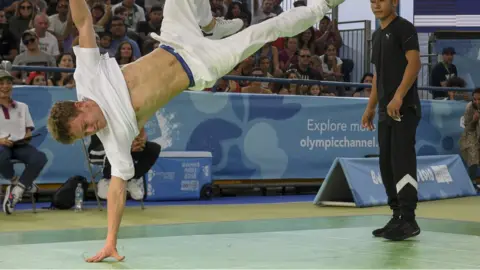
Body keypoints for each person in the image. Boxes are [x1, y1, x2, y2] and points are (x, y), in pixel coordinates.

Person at [47, 0, 345, 263]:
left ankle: (209, 23)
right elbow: (115, 189)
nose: (93, 130)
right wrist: (110, 240)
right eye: (85, 135)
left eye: (85, 125)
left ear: (80, 104)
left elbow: (83, 21)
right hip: (200, 66)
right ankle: (322, 6)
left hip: (175, 40)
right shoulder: (112, 139)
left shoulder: (87, 77)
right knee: (265, 32)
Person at [361, 0, 422, 241]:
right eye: (372, 0)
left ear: (394, 2)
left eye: (381, 0)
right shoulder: (377, 36)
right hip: (386, 112)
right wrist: (370, 107)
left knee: (402, 162)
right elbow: (378, 76)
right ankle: (396, 216)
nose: (376, 4)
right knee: (386, 164)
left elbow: (414, 64)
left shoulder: (404, 28)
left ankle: (409, 219)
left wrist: (398, 97)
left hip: (404, 109)